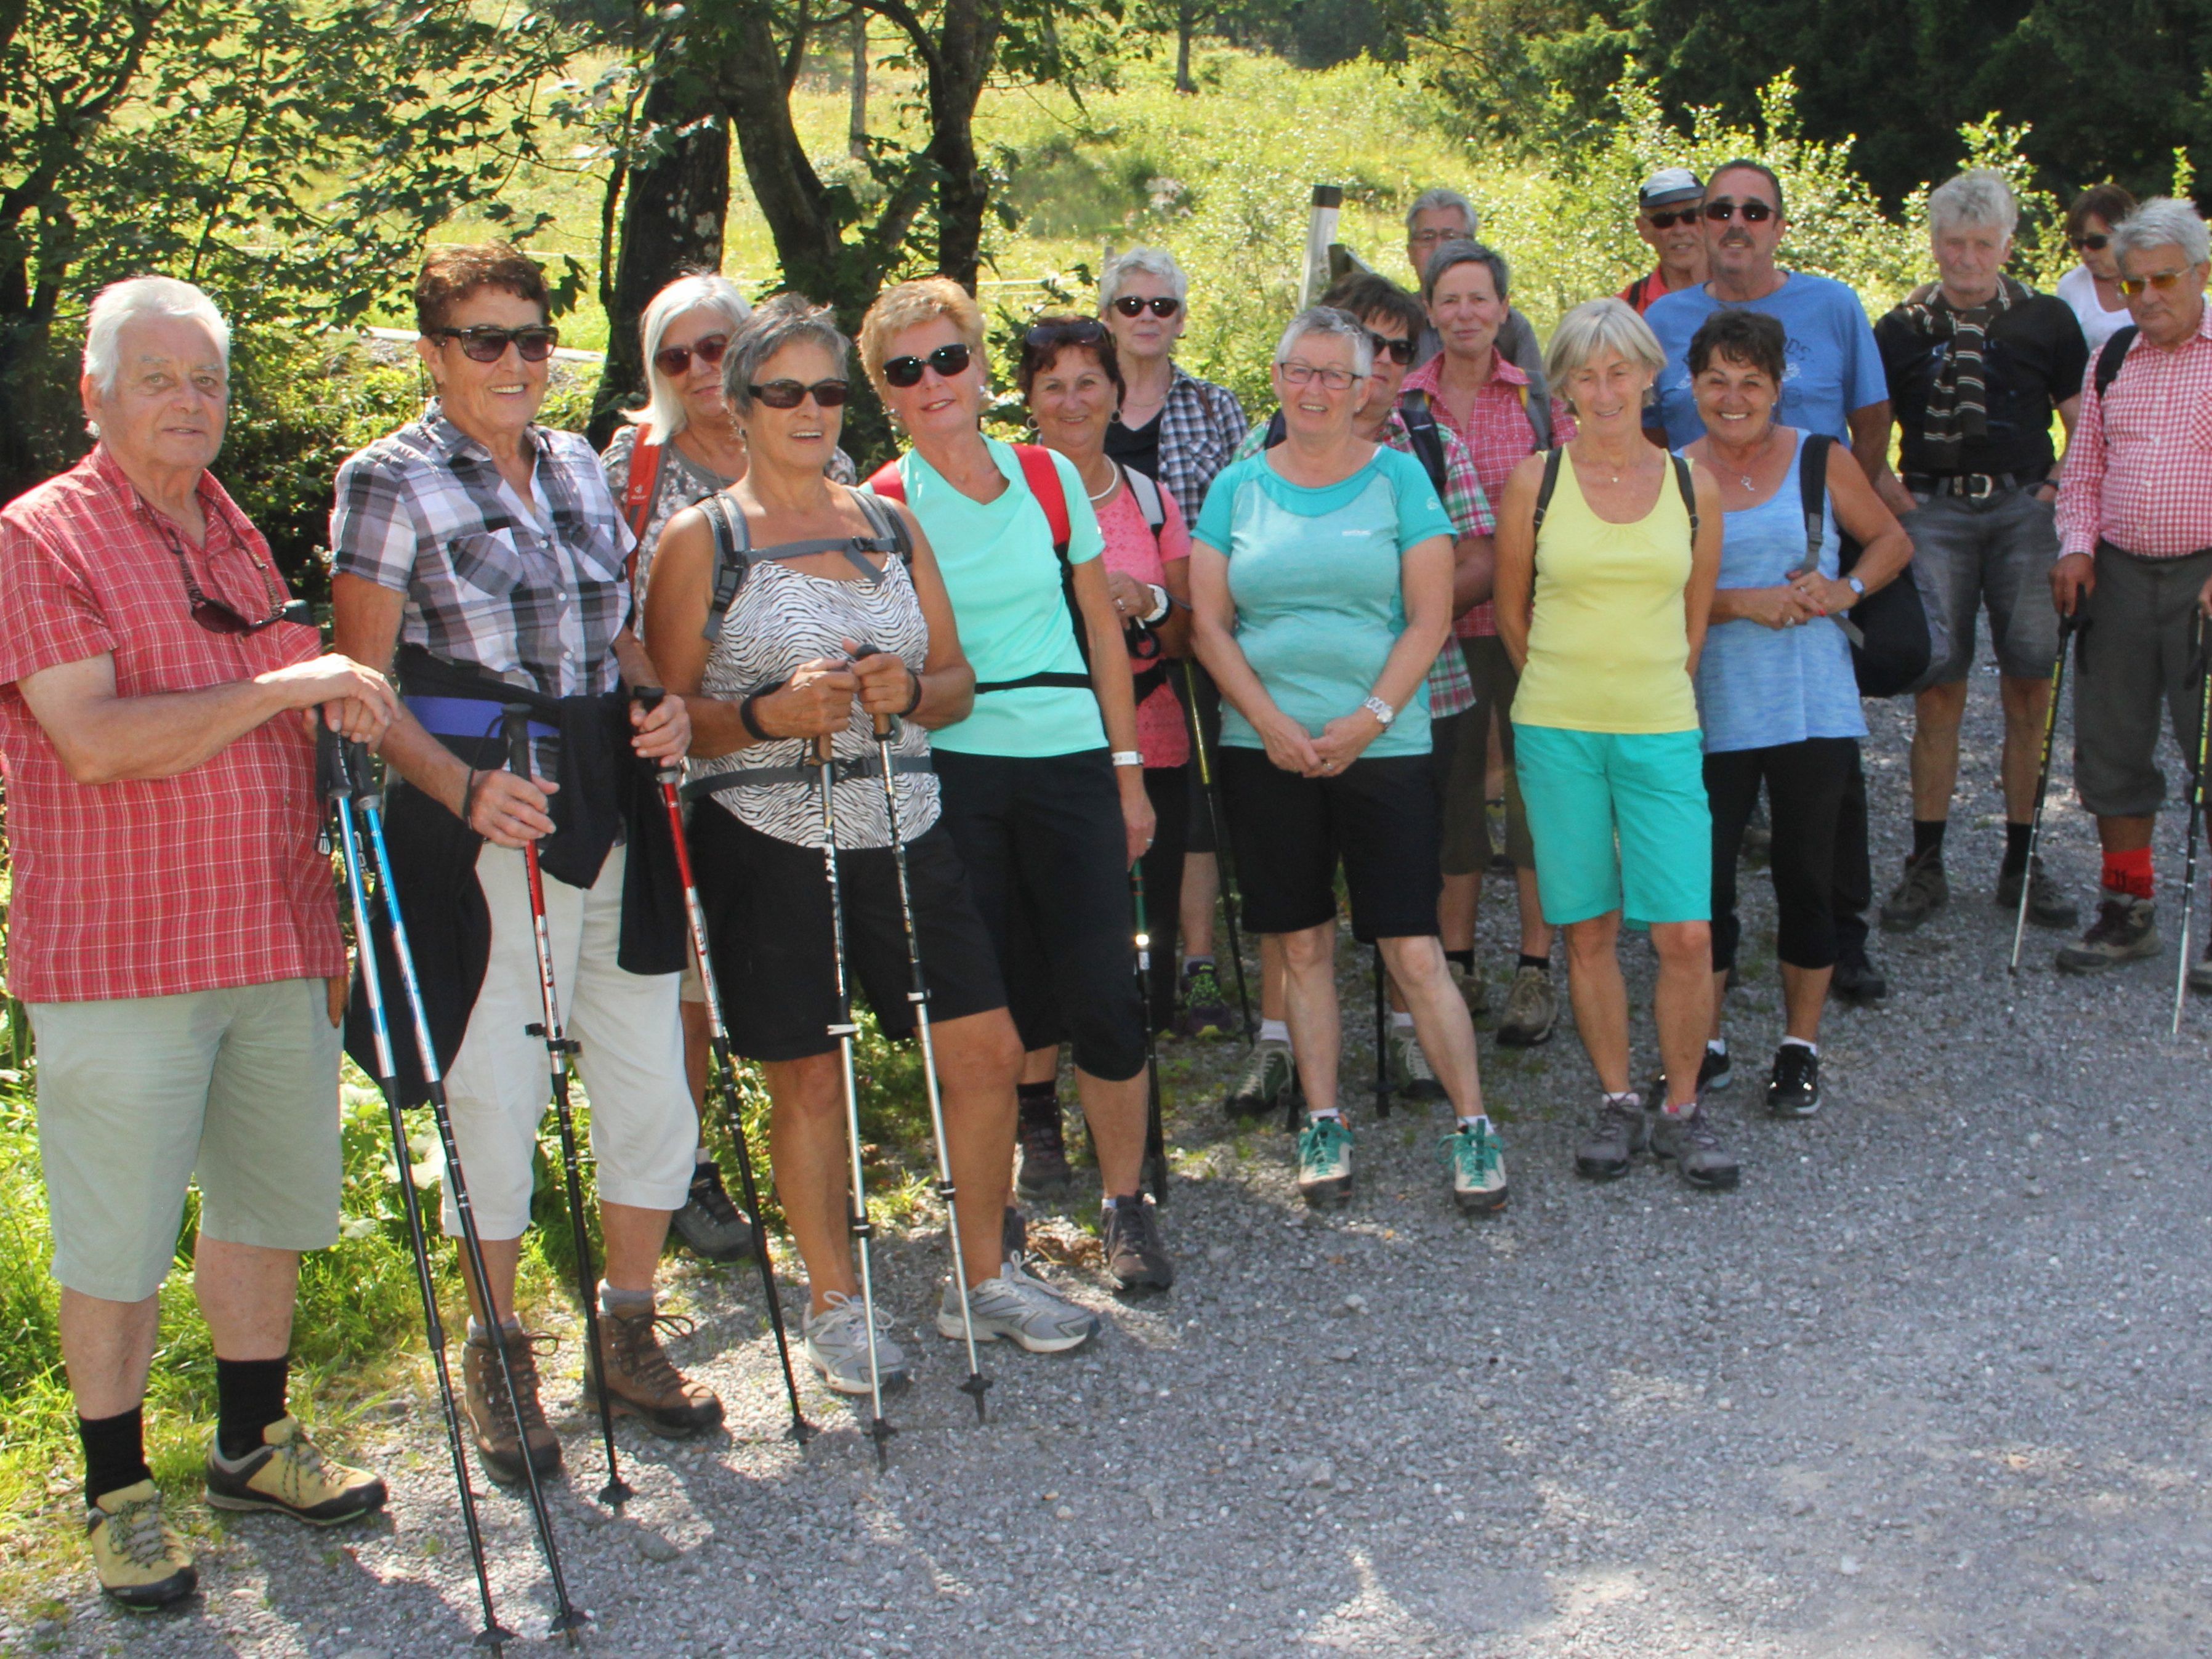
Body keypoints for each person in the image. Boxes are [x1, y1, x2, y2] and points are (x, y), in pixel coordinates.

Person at [0, 277, 395, 1608]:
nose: (190, 402)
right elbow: (96, 740)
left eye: (209, 381)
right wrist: (297, 682)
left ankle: (250, 1444)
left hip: (274, 926)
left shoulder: (227, 530)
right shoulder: (39, 536)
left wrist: (328, 718)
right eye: (160, 378)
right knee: (116, 1237)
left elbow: (264, 701)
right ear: (96, 393)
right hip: (121, 951)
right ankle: (116, 1492)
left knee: (267, 1205)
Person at [643, 295, 1096, 1392]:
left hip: (905, 816)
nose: (810, 410)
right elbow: (667, 715)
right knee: (808, 1071)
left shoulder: (888, 523)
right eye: (784, 391)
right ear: (738, 405)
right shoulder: (701, 539)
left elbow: (954, 682)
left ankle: (979, 1274)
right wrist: (762, 714)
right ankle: (835, 1302)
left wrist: (906, 689)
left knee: (984, 1048)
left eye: (829, 390)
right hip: (765, 830)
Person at [330, 243, 721, 1487]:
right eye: (485, 341)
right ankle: (496, 1350)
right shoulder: (384, 482)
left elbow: (611, 632)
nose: (514, 363)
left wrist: (657, 703)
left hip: (608, 803)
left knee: (650, 1076)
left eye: (532, 339)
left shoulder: (571, 465)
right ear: (438, 354)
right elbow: (361, 686)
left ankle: (627, 1328)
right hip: (481, 822)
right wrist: (460, 789)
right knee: (494, 1090)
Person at [862, 276, 1176, 1291]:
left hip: (1069, 755)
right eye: (906, 369)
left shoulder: (1044, 477)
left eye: (948, 357)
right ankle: (989, 1220)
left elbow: (1099, 627)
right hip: (949, 763)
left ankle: (1125, 1204)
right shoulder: (881, 503)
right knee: (981, 1006)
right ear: (885, 391)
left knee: (1103, 990)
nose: (933, 381)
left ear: (983, 366)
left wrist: (1128, 771)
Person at [1190, 306, 1504, 1213]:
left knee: (1412, 945)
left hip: (1386, 745)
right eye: (1300, 370)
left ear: (1369, 385)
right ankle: (1323, 1117)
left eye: (1337, 373)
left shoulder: (1402, 480)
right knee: (1301, 942)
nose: (1316, 389)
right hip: (1266, 748)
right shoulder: (1237, 488)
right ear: (1278, 376)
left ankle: (1474, 1124)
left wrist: (1368, 719)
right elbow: (1210, 623)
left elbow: (1430, 617)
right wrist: (1271, 722)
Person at [1644, 157, 1894, 1009]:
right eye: (1720, 209)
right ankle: (1704, 1013)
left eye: (1756, 208)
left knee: (1819, 826)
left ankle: (1839, 948)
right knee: (1709, 848)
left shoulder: (1830, 304)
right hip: (1712, 617)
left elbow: (1869, 419)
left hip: (1809, 542)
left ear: (1780, 222)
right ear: (1696, 223)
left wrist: (1844, 579)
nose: (1736, 221)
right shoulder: (1667, 316)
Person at [1491, 299, 1729, 1187]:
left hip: (1662, 727)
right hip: (1557, 727)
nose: (1603, 390)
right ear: (1562, 387)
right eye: (1584, 375)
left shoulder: (1690, 485)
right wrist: (1563, 691)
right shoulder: (1536, 482)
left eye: (1619, 370)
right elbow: (1512, 616)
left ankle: (1683, 1106)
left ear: (1647, 375)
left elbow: (1693, 622)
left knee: (1685, 932)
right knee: (1586, 925)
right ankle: (1619, 1097)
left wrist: (1647, 689)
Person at [1685, 310, 1913, 1115]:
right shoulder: (1677, 472)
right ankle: (1705, 1041)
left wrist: (1845, 588)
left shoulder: (1821, 457)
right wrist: (1738, 602)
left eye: (1751, 380)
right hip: (1710, 707)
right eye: (1717, 379)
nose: (1734, 396)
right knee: (1704, 889)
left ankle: (1798, 1046)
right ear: (1693, 386)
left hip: (1811, 703)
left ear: (1780, 387)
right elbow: (1657, 596)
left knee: (1806, 881)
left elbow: (1891, 541)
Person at [1871, 170, 2088, 936]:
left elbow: (2082, 421)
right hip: (1933, 507)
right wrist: (1900, 504)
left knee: (2029, 684)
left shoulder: (2046, 320)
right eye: (1953, 243)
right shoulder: (1898, 328)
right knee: (1939, 688)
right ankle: (1925, 864)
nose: (1966, 259)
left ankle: (2022, 860)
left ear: (2006, 244)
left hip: (2023, 507)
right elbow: (1867, 431)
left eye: (1981, 244)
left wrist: (2056, 492)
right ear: (1932, 243)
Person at [599, 272, 759, 1265]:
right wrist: (658, 702)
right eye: (677, 355)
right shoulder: (633, 460)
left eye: (718, 346)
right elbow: (601, 603)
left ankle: (801, 1147)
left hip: (792, 735)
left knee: (770, 955)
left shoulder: (799, 427)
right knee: (687, 980)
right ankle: (689, 1166)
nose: (702, 369)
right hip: (677, 743)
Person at [1402, 240, 1575, 1049]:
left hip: (1534, 629)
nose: (1466, 313)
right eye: (1450, 300)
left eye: (1481, 299)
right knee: (1455, 803)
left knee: (1538, 797)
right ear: (1430, 311)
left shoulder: (1539, 402)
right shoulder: (1403, 405)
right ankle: (1460, 962)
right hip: (1438, 636)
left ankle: (1536, 970)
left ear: (1504, 311)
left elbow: (1578, 503)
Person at [2049, 199, 2212, 980]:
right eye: (2130, 282)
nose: (2146, 297)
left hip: (2204, 578)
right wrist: (2076, 548)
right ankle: (2127, 909)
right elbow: (2082, 471)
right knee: (2111, 746)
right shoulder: (2112, 357)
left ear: (2202, 275)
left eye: (2163, 280)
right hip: (2115, 573)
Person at [1022, 313, 1195, 1043]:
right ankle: (1049, 1062)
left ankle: (1138, 1041)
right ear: (1028, 400)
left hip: (1152, 734)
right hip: (1042, 744)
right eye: (1052, 385)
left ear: (1116, 393)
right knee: (1041, 918)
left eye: (1088, 382)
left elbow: (1190, 633)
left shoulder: (1151, 499)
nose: (1072, 402)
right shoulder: (1003, 499)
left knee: (1144, 914)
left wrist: (1149, 602)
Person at [1096, 247, 1247, 1038]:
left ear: (1183, 319)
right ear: (1107, 317)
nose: (1147, 319)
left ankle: (1194, 962)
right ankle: (1115, 955)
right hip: (1094, 641)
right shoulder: (1079, 400)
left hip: (1192, 623)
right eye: (1131, 305)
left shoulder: (1217, 408)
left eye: (1162, 306)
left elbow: (1238, 516)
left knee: (1193, 803)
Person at [1402, 187, 1544, 376]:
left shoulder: (1510, 326)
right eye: (1427, 239)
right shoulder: (1397, 322)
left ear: (1472, 244)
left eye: (1450, 237)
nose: (1438, 248)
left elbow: (1534, 397)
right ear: (1410, 252)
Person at [2056, 184, 2141, 354]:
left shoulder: (2157, 276)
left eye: (2096, 242)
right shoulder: (2072, 286)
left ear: (2126, 235)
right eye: (2078, 243)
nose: (2086, 251)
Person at [1620, 168, 1708, 315]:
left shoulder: (1745, 292)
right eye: (1664, 220)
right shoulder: (1627, 310)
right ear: (1643, 228)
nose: (1680, 230)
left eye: (1691, 215)